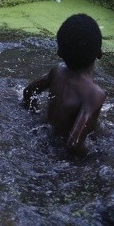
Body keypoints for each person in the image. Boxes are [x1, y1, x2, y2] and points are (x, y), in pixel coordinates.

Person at [22, 14, 106, 156]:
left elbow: (28, 92)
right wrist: (93, 156)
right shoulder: (94, 94)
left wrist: (33, 113)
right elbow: (73, 145)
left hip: (44, 143)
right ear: (100, 53)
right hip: (64, 162)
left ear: (59, 53)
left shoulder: (57, 71)